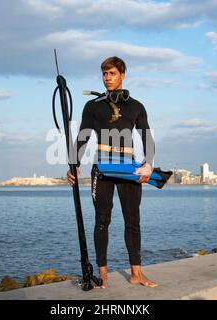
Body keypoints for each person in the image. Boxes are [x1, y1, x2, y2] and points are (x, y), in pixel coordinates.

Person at [67, 56, 157, 288]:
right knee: (102, 221)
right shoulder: (93, 106)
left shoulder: (136, 106)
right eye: (104, 74)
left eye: (112, 74)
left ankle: (136, 273)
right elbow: (83, 137)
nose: (107, 78)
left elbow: (147, 136)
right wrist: (73, 164)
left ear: (122, 76)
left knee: (132, 221)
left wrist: (148, 164)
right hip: (102, 170)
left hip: (128, 169)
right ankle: (103, 273)